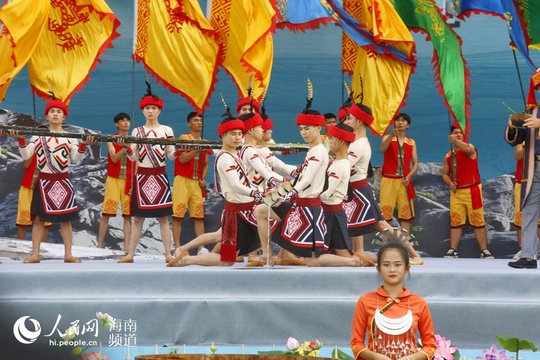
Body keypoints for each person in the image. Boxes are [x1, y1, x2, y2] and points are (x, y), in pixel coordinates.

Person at [8, 98, 96, 263]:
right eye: (52, 112)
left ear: (64, 117)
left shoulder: (70, 137)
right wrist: (20, 141)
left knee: (66, 220)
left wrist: (84, 145)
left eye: (59, 112)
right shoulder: (38, 136)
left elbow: (76, 159)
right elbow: (27, 155)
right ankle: (35, 254)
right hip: (44, 182)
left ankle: (68, 254)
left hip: (63, 181)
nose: (55, 114)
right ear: (47, 116)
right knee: (40, 220)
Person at [167, 117, 263, 266]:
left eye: (239, 134)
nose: (238, 137)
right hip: (237, 211)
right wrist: (256, 192)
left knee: (218, 236)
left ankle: (182, 249)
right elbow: (236, 185)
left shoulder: (235, 155)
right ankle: (186, 259)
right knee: (226, 260)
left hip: (243, 209)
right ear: (223, 135)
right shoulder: (225, 158)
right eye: (233, 134)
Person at [343, 103, 423, 265]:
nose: (347, 121)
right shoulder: (355, 142)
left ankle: (414, 255)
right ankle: (360, 254)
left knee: (383, 225)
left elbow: (344, 165)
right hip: (353, 191)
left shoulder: (360, 144)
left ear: (359, 121)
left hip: (360, 191)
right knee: (358, 226)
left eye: (350, 118)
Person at [253, 101, 329, 265]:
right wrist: (282, 191)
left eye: (307, 128)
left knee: (313, 261)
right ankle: (267, 256)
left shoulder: (319, 151)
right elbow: (299, 175)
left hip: (308, 210)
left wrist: (287, 194)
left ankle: (354, 262)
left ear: (319, 128)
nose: (303, 133)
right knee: (261, 210)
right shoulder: (312, 151)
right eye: (301, 129)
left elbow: (306, 179)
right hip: (299, 206)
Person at [303, 123, 375, 267]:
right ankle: (375, 259)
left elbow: (326, 194)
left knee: (314, 259)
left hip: (332, 216)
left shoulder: (340, 165)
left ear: (341, 141)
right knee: (339, 254)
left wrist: (303, 196)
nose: (329, 142)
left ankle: (355, 262)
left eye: (332, 139)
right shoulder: (338, 163)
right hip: (331, 214)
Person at [350, 243, 437, 360]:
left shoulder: (419, 302)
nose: (392, 270)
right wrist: (376, 357)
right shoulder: (365, 301)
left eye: (397, 265)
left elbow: (430, 345)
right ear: (379, 269)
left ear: (407, 268)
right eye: (386, 265)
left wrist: (409, 359)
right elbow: (356, 343)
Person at [117, 91, 176, 264]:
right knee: (138, 219)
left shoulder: (167, 130)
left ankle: (168, 255)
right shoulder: (137, 130)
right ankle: (130, 255)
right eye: (148, 108)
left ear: (159, 111)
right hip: (142, 177)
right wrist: (128, 148)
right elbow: (133, 157)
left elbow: (171, 156)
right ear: (143, 111)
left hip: (160, 176)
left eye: (154, 108)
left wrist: (179, 151)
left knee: (164, 219)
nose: (150, 111)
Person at [505, 68, 540, 269]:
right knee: (529, 210)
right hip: (534, 166)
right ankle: (528, 256)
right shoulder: (532, 111)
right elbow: (514, 141)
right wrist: (513, 127)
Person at [442, 125, 494, 259]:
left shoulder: (470, 148)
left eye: (460, 133)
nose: (458, 134)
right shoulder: (449, 155)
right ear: (451, 134)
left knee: (478, 221)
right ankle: (453, 250)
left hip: (472, 190)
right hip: (457, 193)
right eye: (455, 133)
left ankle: (484, 250)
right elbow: (445, 174)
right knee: (456, 222)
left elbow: (466, 148)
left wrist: (455, 141)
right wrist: (450, 183)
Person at [171, 111, 211, 254]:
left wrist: (203, 179)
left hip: (195, 183)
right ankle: (177, 247)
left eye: (200, 120)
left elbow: (206, 164)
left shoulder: (203, 141)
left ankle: (201, 247)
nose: (199, 123)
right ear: (189, 124)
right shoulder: (183, 138)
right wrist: (196, 149)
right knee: (178, 215)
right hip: (182, 180)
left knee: (198, 217)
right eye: (195, 120)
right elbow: (182, 159)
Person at [97, 112, 134, 251]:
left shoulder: (134, 140)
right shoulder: (111, 139)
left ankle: (126, 247)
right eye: (122, 121)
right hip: (113, 179)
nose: (125, 123)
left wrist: (133, 182)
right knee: (106, 213)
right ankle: (100, 245)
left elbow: (135, 162)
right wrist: (125, 147)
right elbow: (113, 158)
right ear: (116, 124)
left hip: (128, 180)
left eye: (127, 121)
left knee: (127, 216)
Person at [511, 143, 540, 260]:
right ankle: (524, 251)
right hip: (525, 181)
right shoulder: (525, 139)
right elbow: (517, 156)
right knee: (524, 217)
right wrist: (530, 146)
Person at [16, 154, 50, 242]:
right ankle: (20, 247)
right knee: (23, 220)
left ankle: (42, 249)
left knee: (45, 222)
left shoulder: (52, 148)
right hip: (27, 186)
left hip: (45, 187)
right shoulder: (31, 148)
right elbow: (26, 164)